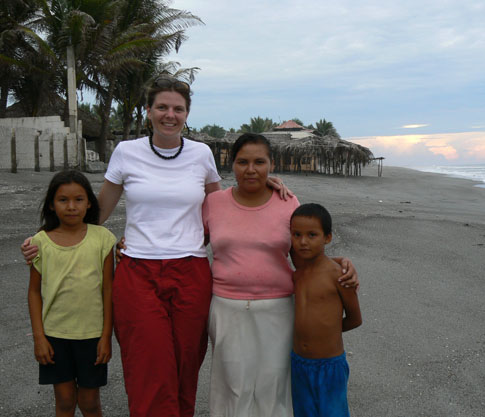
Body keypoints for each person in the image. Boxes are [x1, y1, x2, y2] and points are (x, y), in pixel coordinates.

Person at [21, 75, 291, 417]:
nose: (170, 114)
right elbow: (96, 212)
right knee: (149, 366)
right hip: (138, 272)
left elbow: (222, 206)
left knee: (185, 364)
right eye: (162, 106)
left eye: (178, 108)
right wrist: (45, 238)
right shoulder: (126, 152)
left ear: (187, 113)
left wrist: (262, 181)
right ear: (148, 110)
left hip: (191, 271)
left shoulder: (201, 154)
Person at [202, 134, 359, 417]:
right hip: (227, 308)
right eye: (243, 162)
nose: (251, 169)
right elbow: (188, 244)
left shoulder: (287, 202)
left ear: (271, 164)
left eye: (259, 162)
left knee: (274, 384)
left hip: (278, 308)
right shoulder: (213, 203)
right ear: (231, 164)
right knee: (232, 384)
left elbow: (305, 256)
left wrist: (340, 263)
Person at [27, 170, 116, 417]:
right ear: (52, 205)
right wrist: (39, 338)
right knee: (64, 401)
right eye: (63, 200)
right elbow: (34, 292)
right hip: (54, 335)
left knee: (89, 402)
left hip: (92, 336)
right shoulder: (40, 242)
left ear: (89, 203)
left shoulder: (103, 239)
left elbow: (109, 289)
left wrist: (106, 336)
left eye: (78, 199)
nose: (71, 206)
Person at [289, 203, 362, 417]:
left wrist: (326, 333)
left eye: (312, 235)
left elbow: (355, 319)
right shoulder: (297, 273)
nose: (303, 241)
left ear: (327, 237)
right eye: (297, 234)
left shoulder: (338, 275)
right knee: (303, 412)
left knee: (332, 412)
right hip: (298, 362)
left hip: (329, 365)